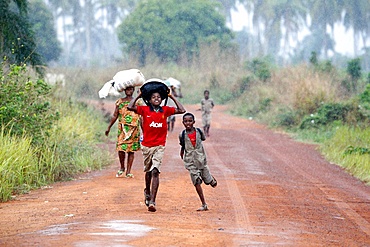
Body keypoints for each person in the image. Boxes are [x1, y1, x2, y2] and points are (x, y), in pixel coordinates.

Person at [128, 82, 186, 212]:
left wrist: (171, 97)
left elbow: (182, 110)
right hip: (147, 146)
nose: (157, 99)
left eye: (159, 97)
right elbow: (130, 107)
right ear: (149, 99)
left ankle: (153, 201)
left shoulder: (165, 111)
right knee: (148, 171)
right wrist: (139, 96)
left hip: (159, 146)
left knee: (155, 171)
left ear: (162, 99)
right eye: (154, 97)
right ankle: (147, 191)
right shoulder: (144, 110)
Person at [179, 112, 217, 211]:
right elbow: (183, 145)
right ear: (183, 122)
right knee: (197, 181)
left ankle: (211, 179)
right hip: (190, 162)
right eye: (186, 121)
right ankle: (204, 204)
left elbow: (202, 140)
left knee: (210, 183)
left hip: (201, 161)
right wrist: (183, 155)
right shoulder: (182, 134)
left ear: (194, 122)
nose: (188, 123)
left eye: (190, 121)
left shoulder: (199, 132)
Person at [105, 86, 141, 178]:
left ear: (133, 90)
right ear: (124, 90)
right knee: (121, 149)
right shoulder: (120, 102)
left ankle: (128, 171)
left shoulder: (138, 102)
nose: (129, 91)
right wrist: (109, 127)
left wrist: (144, 131)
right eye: (127, 89)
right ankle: (122, 167)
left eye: (131, 89)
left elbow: (141, 117)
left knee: (131, 150)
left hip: (134, 129)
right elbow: (115, 115)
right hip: (122, 129)